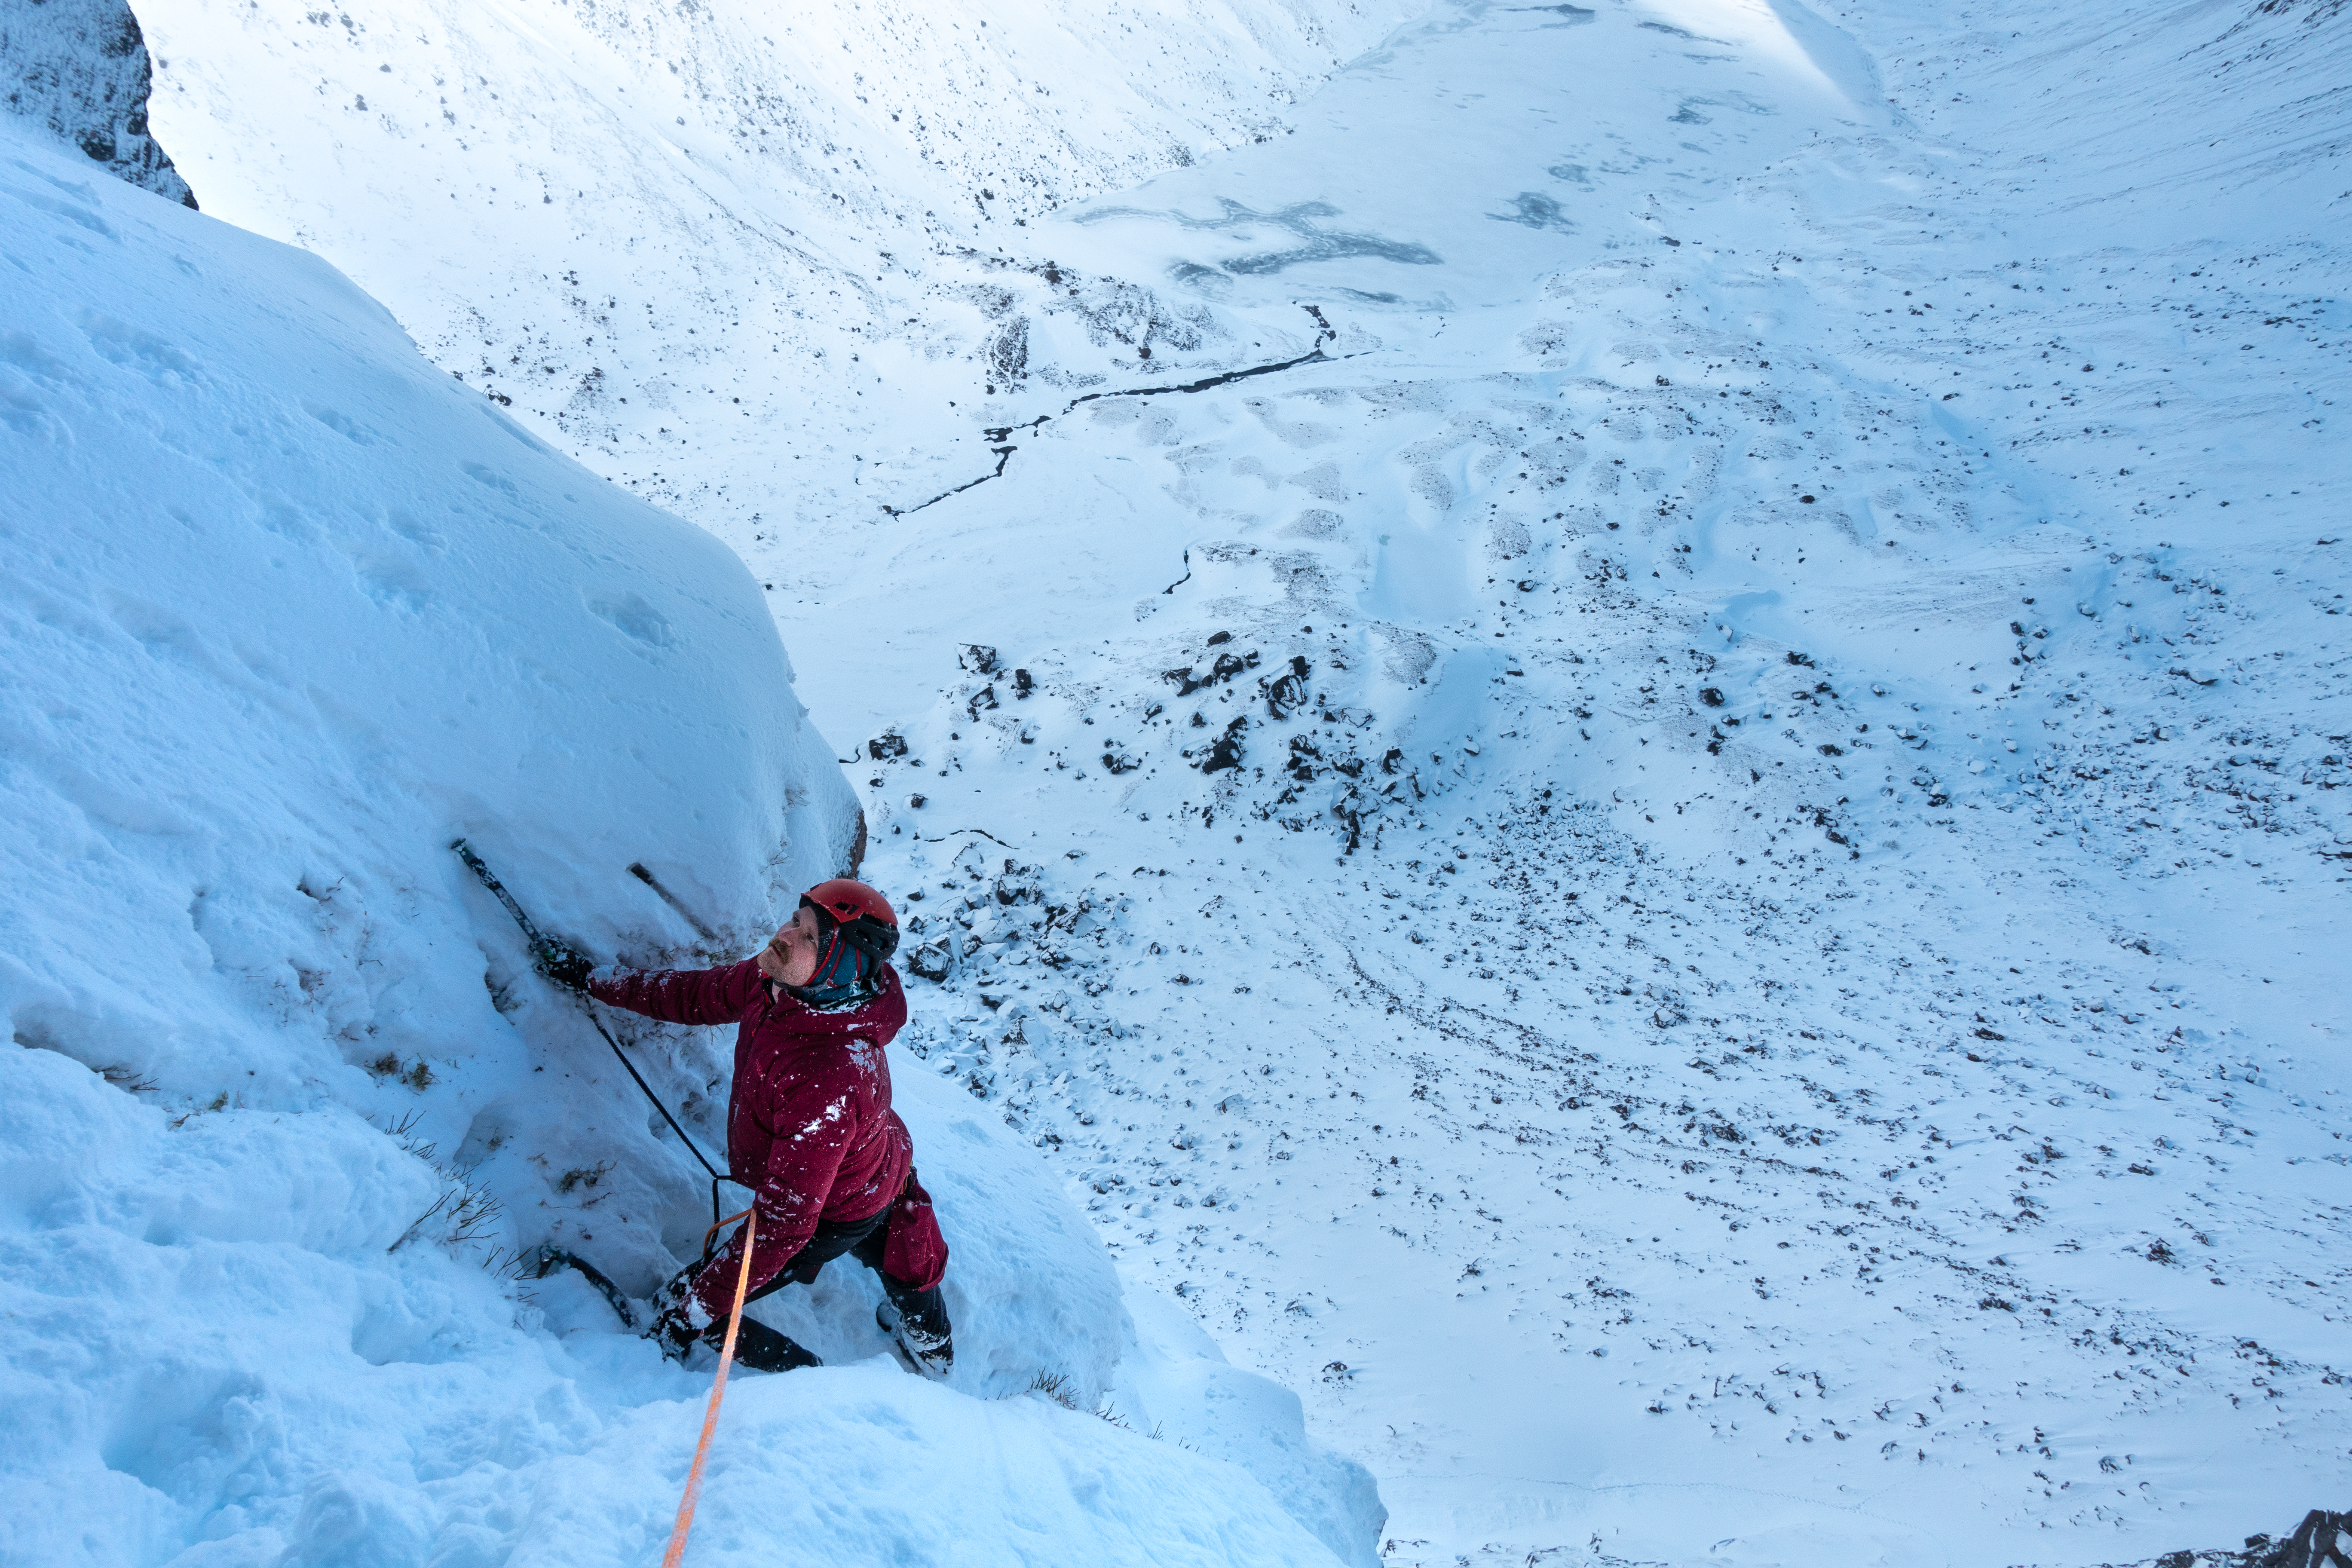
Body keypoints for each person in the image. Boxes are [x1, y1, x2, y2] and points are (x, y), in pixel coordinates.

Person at [553, 879, 952, 1375]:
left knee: (696, 1301)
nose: (786, 935)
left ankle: (821, 1380)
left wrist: (692, 1313)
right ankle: (934, 1345)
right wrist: (595, 981)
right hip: (869, 1162)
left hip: (839, 1207)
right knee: (906, 1260)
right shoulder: (779, 985)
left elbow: (784, 1224)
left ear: (839, 967)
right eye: (796, 920)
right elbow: (696, 995)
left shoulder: (830, 1078)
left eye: (809, 937)